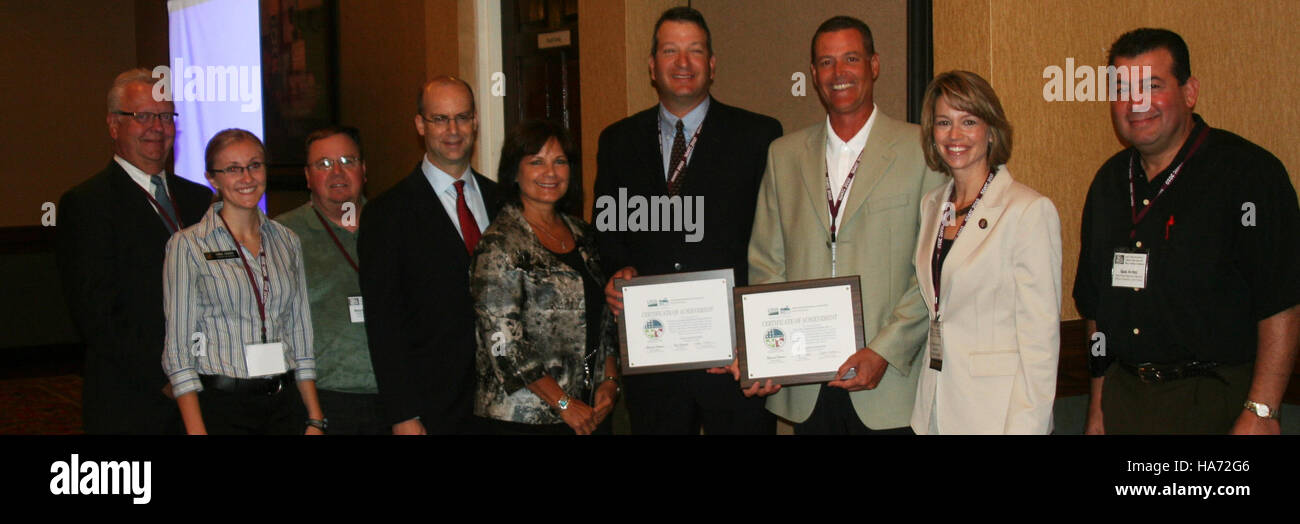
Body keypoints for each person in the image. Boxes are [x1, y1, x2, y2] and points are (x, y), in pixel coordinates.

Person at [1075, 28, 1300, 434]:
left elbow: (1281, 302)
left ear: (1190, 91)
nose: (1136, 103)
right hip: (1124, 400)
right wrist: (1098, 409)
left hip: (1219, 404)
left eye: (1152, 86)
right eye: (1123, 89)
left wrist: (1262, 411)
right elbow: (1095, 312)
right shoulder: (1108, 183)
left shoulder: (1248, 175)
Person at [743, 16, 946, 434]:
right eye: (827, 62)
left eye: (851, 59)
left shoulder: (921, 151)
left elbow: (932, 270)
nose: (839, 73)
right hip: (808, 385)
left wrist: (884, 352)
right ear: (814, 75)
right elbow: (767, 264)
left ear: (873, 65)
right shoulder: (784, 155)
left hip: (889, 385)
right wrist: (772, 351)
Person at [594, 6, 782, 435]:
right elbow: (607, 231)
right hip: (654, 356)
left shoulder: (759, 137)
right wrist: (616, 269)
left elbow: (776, 243)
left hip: (732, 359)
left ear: (712, 65)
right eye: (670, 51)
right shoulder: (618, 141)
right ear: (652, 66)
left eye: (695, 51)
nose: (683, 63)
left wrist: (760, 337)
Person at [55, 68, 213, 434]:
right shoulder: (87, 204)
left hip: (208, 391)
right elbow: (97, 314)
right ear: (113, 125)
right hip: (136, 399)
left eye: (165, 116)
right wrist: (166, 377)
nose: (157, 127)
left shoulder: (199, 199)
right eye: (142, 116)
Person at [909, 71, 1061, 434]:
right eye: (944, 122)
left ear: (991, 131)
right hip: (935, 404)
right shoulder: (933, 204)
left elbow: (1040, 345)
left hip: (997, 416)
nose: (955, 135)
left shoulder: (1027, 210)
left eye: (969, 121)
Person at [359, 76, 499, 435]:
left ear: (476, 122)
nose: (453, 130)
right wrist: (402, 413)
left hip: (506, 406)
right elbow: (383, 323)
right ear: (420, 125)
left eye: (463, 117)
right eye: (440, 119)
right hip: (433, 409)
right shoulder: (387, 214)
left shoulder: (504, 202)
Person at [162, 129, 325, 435]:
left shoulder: (287, 240)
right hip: (223, 407)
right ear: (213, 178)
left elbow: (300, 333)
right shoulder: (188, 246)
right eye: (233, 169)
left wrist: (315, 418)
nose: (247, 177)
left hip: (284, 404)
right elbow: (178, 352)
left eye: (255, 165)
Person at [472, 121, 619, 435]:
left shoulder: (583, 234)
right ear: (514, 172)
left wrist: (609, 380)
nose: (550, 173)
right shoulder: (500, 243)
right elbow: (503, 344)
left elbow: (605, 319)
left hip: (589, 411)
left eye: (560, 161)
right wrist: (564, 403)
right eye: (536, 161)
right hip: (525, 418)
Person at [277, 126, 386, 434]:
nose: (337, 172)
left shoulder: (391, 223)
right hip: (322, 401)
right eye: (323, 164)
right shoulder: (283, 236)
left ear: (363, 170)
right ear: (307, 176)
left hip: (392, 399)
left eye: (347, 161)